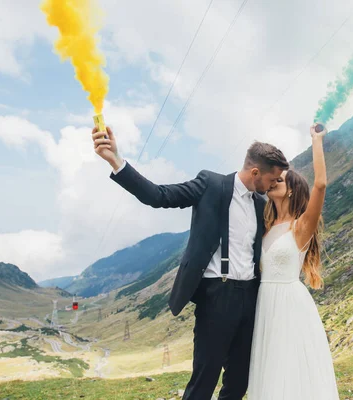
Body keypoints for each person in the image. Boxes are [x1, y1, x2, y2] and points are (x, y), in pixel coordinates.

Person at [91, 126, 289, 400]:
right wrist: (116, 160)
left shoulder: (260, 204)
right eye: (272, 178)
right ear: (255, 172)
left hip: (250, 297)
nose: (273, 184)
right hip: (216, 295)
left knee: (238, 381)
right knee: (204, 380)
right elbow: (158, 196)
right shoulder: (210, 184)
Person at [247, 123, 339, 399]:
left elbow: (321, 185)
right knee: (269, 369)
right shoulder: (264, 225)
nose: (273, 181)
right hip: (264, 302)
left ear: (291, 190)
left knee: (289, 368)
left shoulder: (300, 227)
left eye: (280, 180)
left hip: (288, 303)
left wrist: (316, 140)